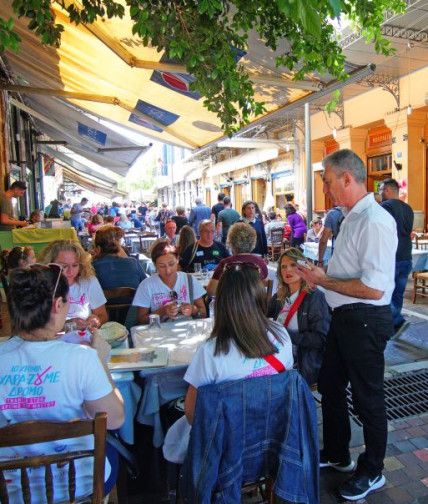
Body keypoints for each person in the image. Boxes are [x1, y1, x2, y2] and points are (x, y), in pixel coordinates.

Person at [296, 149, 397, 501]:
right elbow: (347, 272)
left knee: (368, 396)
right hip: (344, 317)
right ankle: (338, 453)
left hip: (365, 319)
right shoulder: (351, 216)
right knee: (331, 384)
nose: (325, 189)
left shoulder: (374, 221)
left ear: (347, 179)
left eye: (326, 180)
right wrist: (319, 277)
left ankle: (373, 470)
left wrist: (324, 281)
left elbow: (373, 287)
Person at [0, 264, 124, 502]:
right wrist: (101, 363)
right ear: (58, 305)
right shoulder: (82, 358)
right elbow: (116, 418)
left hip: (10, 490)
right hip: (79, 485)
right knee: (112, 442)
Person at [162, 263, 293, 463]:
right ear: (260, 297)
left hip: (225, 449)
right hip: (272, 439)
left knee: (168, 408)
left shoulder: (211, 352)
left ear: (221, 303)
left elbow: (192, 415)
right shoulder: (281, 334)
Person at [267, 248, 330, 386]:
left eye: (293, 265)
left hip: (301, 364)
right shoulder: (279, 297)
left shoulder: (315, 297)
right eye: (283, 266)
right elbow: (262, 318)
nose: (287, 270)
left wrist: (284, 334)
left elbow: (321, 338)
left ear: (303, 268)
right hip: (277, 357)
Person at [39, 240, 109, 331]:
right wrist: (66, 326)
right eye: (64, 267)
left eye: (75, 265)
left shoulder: (89, 281)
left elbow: (103, 315)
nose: (70, 272)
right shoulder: (41, 284)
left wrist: (95, 320)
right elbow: (36, 326)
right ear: (50, 265)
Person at [133, 241, 207, 324]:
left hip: (188, 330)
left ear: (177, 260)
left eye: (171, 264)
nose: (167, 270)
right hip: (159, 333)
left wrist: (193, 310)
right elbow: (141, 319)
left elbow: (203, 313)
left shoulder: (189, 280)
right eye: (162, 266)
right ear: (154, 265)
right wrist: (162, 311)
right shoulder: (146, 285)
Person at [379, 178, 414, 339]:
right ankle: (393, 328)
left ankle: (397, 321)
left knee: (384, 294)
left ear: (387, 190)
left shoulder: (384, 207)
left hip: (391, 257)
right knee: (398, 294)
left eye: (380, 190)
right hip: (406, 255)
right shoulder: (408, 208)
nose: (379, 194)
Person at [206, 222, 268, 298]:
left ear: (231, 241)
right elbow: (265, 285)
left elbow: (210, 292)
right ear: (253, 241)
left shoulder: (225, 264)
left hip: (231, 307)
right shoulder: (259, 262)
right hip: (254, 307)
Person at [92, 225, 146, 295]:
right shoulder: (133, 262)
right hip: (134, 304)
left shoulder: (93, 267)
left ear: (98, 248)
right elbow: (145, 285)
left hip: (105, 305)